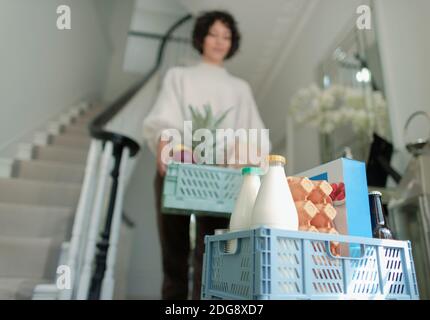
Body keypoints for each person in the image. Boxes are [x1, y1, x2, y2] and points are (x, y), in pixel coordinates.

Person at [142, 10, 271, 300]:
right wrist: (168, 147)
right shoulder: (179, 76)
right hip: (178, 172)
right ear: (201, 37)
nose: (219, 41)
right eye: (213, 34)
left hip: (220, 180)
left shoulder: (240, 88)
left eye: (226, 36)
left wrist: (243, 156)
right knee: (173, 253)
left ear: (232, 43)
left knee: (211, 254)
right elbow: (164, 120)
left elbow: (254, 135)